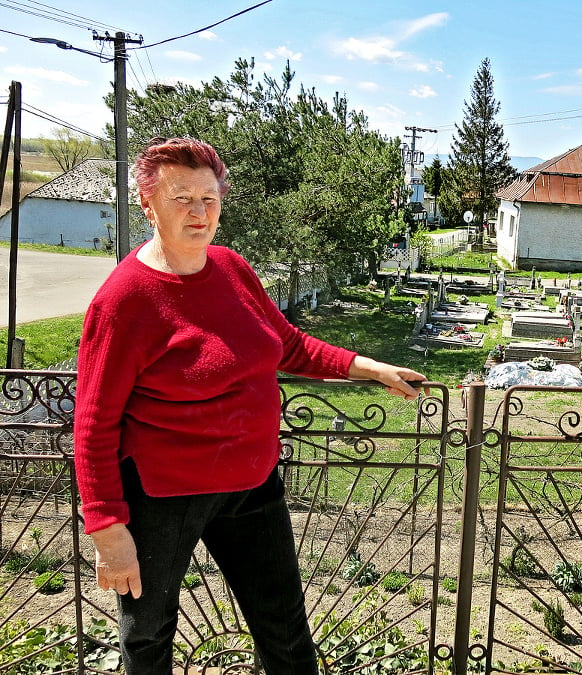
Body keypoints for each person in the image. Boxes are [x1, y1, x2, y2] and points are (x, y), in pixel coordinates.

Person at [74, 137, 427, 674]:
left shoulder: (232, 269)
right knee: (148, 635)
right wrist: (107, 527)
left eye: (209, 199)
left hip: (251, 484)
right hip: (163, 496)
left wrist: (367, 367)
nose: (199, 212)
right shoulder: (124, 301)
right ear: (147, 204)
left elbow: (287, 344)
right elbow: (94, 425)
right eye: (182, 198)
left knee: (283, 626)